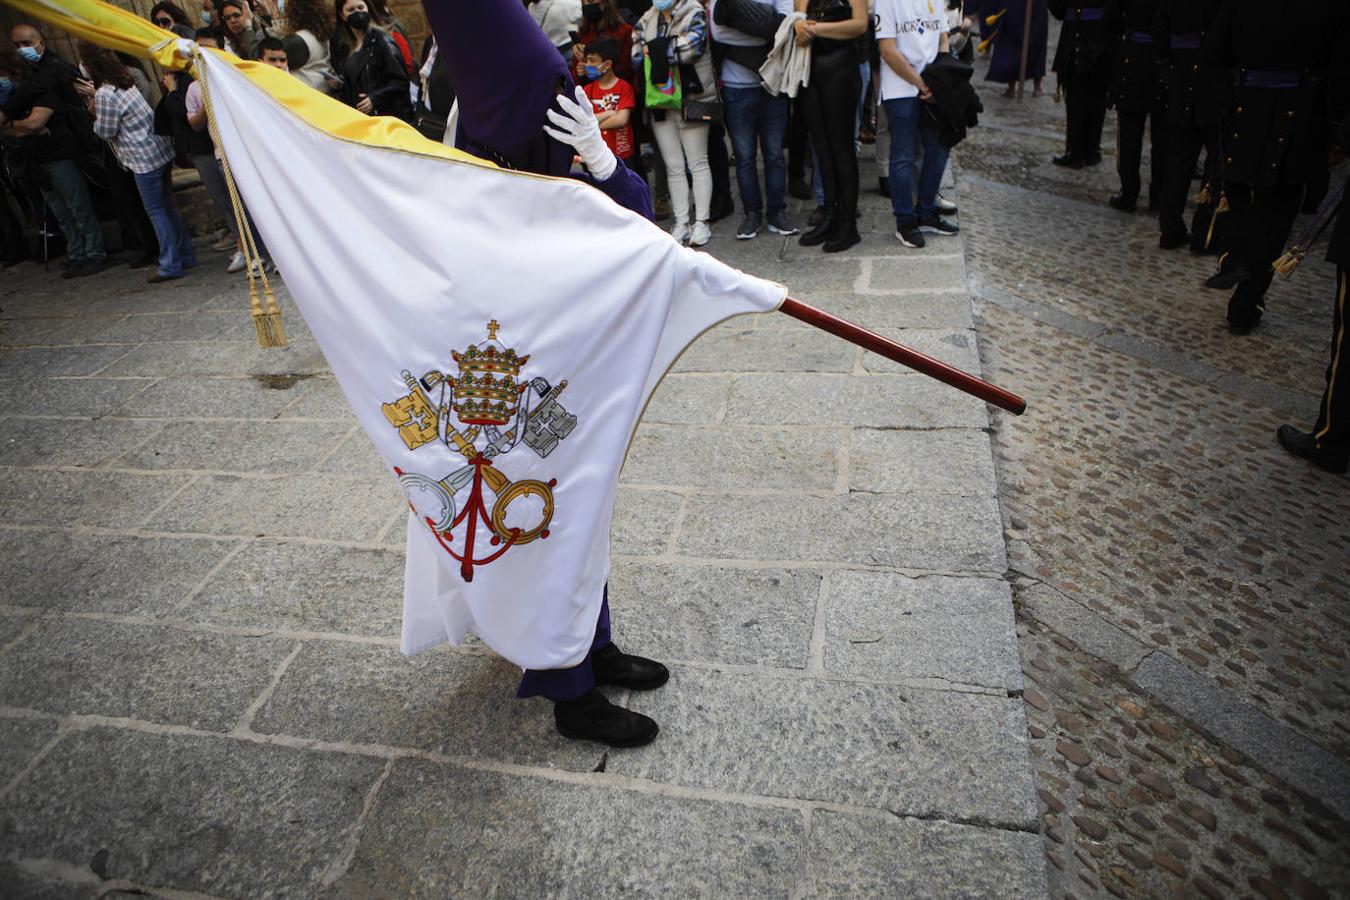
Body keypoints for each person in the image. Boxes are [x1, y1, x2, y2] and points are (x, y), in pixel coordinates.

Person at [423, 0, 663, 748]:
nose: (567, 99)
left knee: (581, 515)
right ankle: (570, 690)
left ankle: (593, 644)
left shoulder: (536, 131)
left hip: (569, 364)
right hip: (517, 381)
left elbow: (635, 227)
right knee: (544, 524)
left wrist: (603, 164)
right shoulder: (467, 164)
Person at [1203, 0, 1339, 333]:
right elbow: (1339, 64)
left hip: (1246, 106)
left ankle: (1235, 260)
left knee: (1239, 195)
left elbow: (1216, 51)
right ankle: (1245, 303)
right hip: (1299, 113)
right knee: (1275, 214)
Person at [79, 42, 196, 284]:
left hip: (141, 158)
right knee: (168, 206)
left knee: (156, 211)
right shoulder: (125, 80)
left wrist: (93, 114)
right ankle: (185, 254)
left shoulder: (104, 94)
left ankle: (170, 263)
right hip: (158, 150)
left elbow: (106, 130)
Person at [0, 24, 108, 278]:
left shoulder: (48, 77)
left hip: (60, 152)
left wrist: (19, 126)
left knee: (77, 206)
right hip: (37, 156)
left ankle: (94, 253)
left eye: (26, 43)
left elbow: (38, 119)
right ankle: (77, 253)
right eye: (16, 46)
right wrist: (19, 128)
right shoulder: (24, 88)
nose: (22, 50)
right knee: (61, 211)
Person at [710, 0, 799, 241]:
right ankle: (752, 213)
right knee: (745, 156)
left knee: (774, 154)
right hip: (736, 88)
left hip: (772, 84)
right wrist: (764, 26)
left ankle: (776, 211)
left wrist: (739, 19)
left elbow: (785, 26)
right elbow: (718, 32)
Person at [633, 0, 718, 247]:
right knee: (673, 166)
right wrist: (667, 48)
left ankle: (702, 221)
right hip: (660, 100)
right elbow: (637, 55)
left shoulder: (695, 11)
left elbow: (692, 49)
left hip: (692, 99)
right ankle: (681, 222)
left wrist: (656, 49)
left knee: (698, 161)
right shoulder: (647, 18)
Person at [876, 0, 956, 249]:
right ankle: (905, 221)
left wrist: (938, 77)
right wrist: (921, 84)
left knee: (938, 148)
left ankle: (926, 211)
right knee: (903, 155)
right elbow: (888, 50)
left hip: (932, 87)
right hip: (900, 89)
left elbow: (943, 38)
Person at [793, 0, 870, 253]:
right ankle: (829, 215)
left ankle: (847, 225)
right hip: (811, 67)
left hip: (842, 66)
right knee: (821, 149)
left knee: (842, 149)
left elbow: (860, 25)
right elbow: (798, 16)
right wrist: (798, 27)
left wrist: (816, 29)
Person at [1152, 0, 1225, 250]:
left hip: (1182, 74)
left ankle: (1171, 228)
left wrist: (1169, 67)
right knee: (1213, 164)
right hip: (1214, 78)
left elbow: (1160, 29)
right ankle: (1203, 233)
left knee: (1179, 159)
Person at [1104, 0, 1164, 213]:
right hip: (1164, 59)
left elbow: (1111, 17)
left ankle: (1129, 192)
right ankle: (1158, 196)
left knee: (1130, 132)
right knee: (1162, 136)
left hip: (1135, 56)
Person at [1048, 0, 1113, 168]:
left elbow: (1057, 9)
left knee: (1077, 97)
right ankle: (1091, 151)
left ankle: (1076, 152)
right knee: (1096, 96)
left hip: (1077, 36)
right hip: (1101, 35)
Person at [332, 0, 414, 122]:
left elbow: (400, 81)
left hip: (385, 118)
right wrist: (339, 84)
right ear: (342, 15)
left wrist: (374, 99)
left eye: (360, 7)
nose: (357, 13)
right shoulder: (345, 47)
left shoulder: (381, 40)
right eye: (351, 10)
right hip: (360, 118)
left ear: (368, 8)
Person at [969, 0, 1046, 97]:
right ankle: (1011, 85)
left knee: (1036, 42)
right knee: (1011, 40)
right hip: (1014, 6)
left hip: (1035, 7)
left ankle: (1037, 86)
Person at [581, 38, 637, 167]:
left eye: (592, 60)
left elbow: (621, 120)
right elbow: (584, 121)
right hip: (596, 155)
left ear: (607, 64)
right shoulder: (587, 90)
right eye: (586, 60)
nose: (588, 64)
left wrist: (593, 125)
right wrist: (609, 113)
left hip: (622, 153)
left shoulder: (624, 87)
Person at [280, 0, 339, 94]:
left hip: (304, 99)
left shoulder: (297, 41)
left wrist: (248, 27)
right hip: (322, 95)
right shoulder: (321, 35)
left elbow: (264, 59)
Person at [573, 0, 635, 84]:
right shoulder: (583, 33)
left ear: (606, 3)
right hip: (589, 91)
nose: (586, 5)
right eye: (583, 2)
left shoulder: (624, 31)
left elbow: (628, 70)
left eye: (591, 1)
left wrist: (601, 67)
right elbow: (575, 77)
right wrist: (580, 70)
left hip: (617, 89)